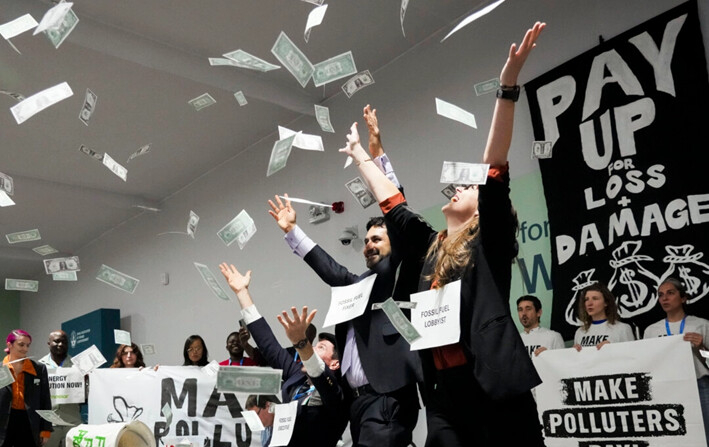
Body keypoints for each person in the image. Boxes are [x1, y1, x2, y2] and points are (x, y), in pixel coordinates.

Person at [339, 22, 547, 446]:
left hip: (491, 385)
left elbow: (493, 167)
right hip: (443, 394)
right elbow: (392, 204)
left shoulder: (486, 244)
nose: (460, 188)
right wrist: (361, 156)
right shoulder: (429, 245)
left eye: (469, 189)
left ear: (482, 214)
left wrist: (507, 86)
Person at [268, 107, 422, 447]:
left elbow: (399, 215)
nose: (368, 244)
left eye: (377, 239)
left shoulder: (394, 277)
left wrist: (373, 155)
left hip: (387, 398)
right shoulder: (359, 285)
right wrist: (293, 230)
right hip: (359, 405)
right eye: (365, 241)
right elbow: (332, 271)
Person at [219, 263, 348, 447]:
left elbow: (318, 373)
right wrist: (242, 294)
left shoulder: (335, 393)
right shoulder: (297, 376)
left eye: (320, 347)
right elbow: (268, 345)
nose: (312, 349)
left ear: (334, 364)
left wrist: (301, 344)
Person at [643, 277, 709, 444]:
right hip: (667, 388)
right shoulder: (651, 330)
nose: (664, 298)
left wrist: (701, 347)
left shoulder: (701, 325)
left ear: (683, 298)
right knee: (674, 437)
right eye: (660, 295)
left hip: (698, 385)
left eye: (670, 293)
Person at [0, 329, 52, 447]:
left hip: (29, 422)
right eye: (21, 344)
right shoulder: (0, 369)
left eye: (28, 345)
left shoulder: (39, 368)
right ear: (9, 344)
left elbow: (45, 400)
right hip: (4, 423)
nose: (25, 349)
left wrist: (46, 429)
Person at [38, 331, 82, 447]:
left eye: (64, 342)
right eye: (56, 341)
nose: (60, 344)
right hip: (49, 423)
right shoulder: (39, 366)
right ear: (49, 343)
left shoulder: (77, 365)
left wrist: (86, 381)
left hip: (72, 421)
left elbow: (86, 395)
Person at [573, 282, 635, 350]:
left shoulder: (622, 329)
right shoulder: (580, 332)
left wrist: (613, 349)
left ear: (606, 302)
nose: (589, 303)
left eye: (595, 298)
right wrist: (574, 352)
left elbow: (631, 355)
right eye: (586, 299)